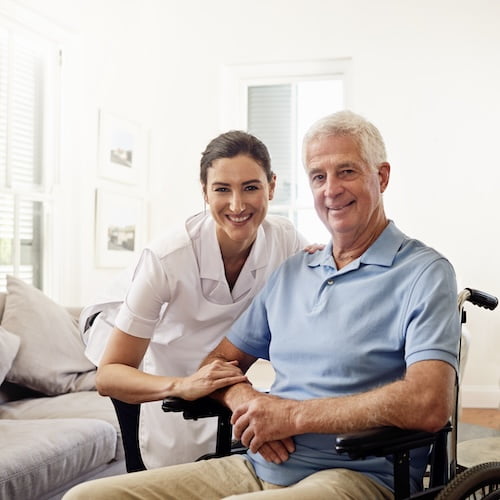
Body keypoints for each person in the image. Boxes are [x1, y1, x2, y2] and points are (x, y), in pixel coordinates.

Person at [64, 110, 460, 499]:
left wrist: (289, 416)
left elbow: (429, 403)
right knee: (86, 496)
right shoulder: (292, 271)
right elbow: (216, 366)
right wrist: (251, 404)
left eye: (347, 171)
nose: (331, 190)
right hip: (256, 464)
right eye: (318, 176)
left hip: (352, 475)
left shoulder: (424, 272)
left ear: (382, 176)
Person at [81, 130, 312, 471]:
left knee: (214, 456)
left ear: (272, 186)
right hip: (131, 346)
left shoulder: (285, 238)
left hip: (210, 347)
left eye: (251, 187)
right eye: (222, 189)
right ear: (204, 190)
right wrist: (181, 384)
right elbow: (110, 375)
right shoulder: (167, 258)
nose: (237, 205)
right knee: (150, 472)